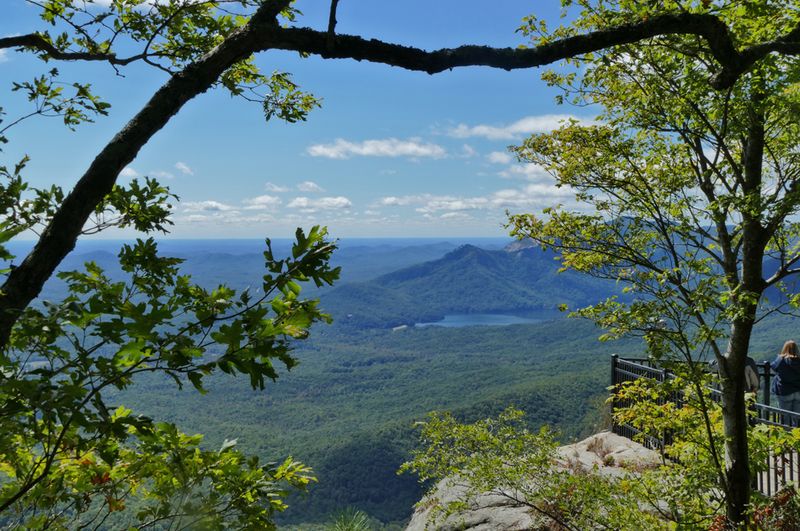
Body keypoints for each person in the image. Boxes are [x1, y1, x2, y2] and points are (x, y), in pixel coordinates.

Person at [771, 340, 800, 414]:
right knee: (797, 417)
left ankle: (785, 426)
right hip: (798, 390)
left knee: (785, 416)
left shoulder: (781, 359)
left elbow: (773, 367)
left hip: (784, 390)